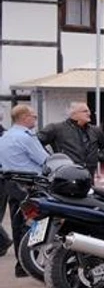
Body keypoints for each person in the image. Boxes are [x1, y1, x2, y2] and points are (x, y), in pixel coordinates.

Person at [0, 104, 49, 261]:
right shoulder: (26, 137)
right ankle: (32, 259)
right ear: (24, 117)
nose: (35, 118)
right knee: (35, 222)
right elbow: (44, 160)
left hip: (11, 183)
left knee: (18, 223)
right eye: (33, 116)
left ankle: (21, 262)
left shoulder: (5, 136)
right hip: (30, 184)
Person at [39, 102, 104, 175]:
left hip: (88, 174)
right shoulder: (56, 128)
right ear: (74, 114)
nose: (89, 113)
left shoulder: (95, 130)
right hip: (65, 174)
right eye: (85, 111)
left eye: (89, 111)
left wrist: (100, 156)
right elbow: (36, 142)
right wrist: (51, 158)